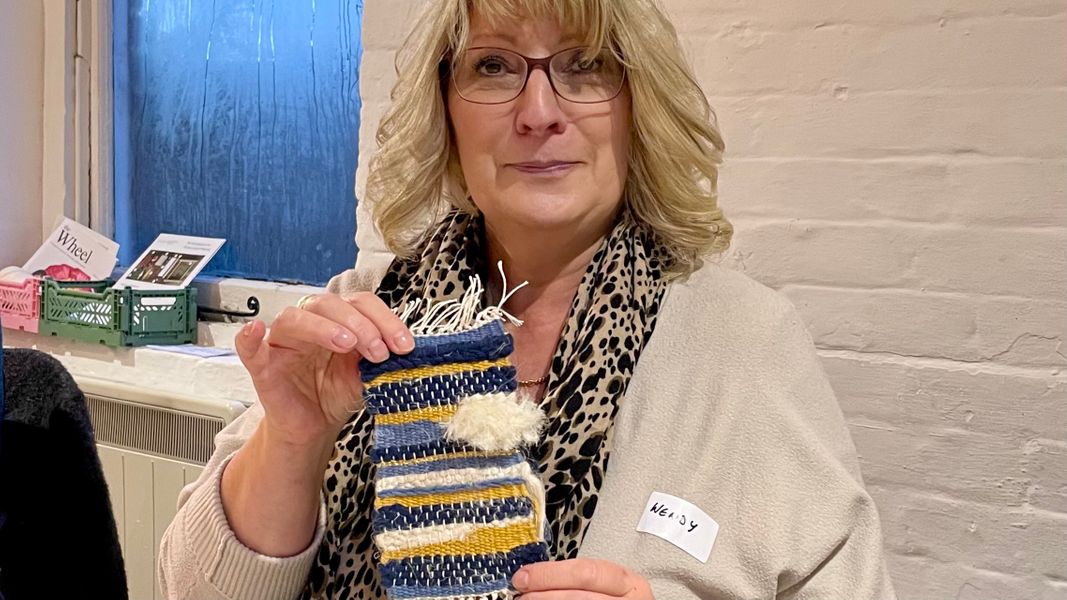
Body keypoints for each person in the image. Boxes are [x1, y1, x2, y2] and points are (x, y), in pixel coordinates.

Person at [159, 0, 896, 598]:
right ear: (446, 111)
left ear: (640, 105)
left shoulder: (743, 344)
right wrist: (291, 441)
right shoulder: (358, 319)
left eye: (584, 66)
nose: (539, 110)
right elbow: (193, 589)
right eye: (493, 66)